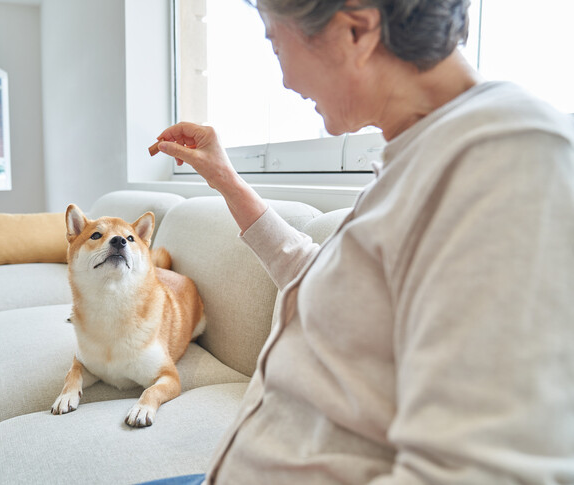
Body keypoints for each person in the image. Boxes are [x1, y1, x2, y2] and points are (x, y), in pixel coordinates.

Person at [151, 0, 574, 483]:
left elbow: (481, 471)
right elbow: (343, 292)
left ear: (356, 29)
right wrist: (228, 180)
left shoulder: (510, 162)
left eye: (273, 40)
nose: (285, 80)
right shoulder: (424, 150)